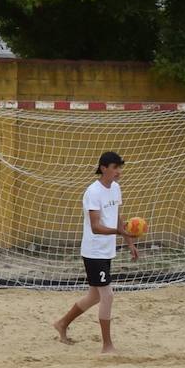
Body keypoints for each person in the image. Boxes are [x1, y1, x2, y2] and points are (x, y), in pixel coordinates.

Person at [53, 152, 138, 354]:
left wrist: (129, 242)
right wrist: (119, 232)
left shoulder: (116, 188)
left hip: (106, 250)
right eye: (115, 167)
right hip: (93, 251)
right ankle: (107, 345)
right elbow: (95, 227)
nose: (119, 172)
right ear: (103, 168)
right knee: (107, 295)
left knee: (94, 296)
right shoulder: (93, 192)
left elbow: (117, 216)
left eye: (120, 167)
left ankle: (62, 323)